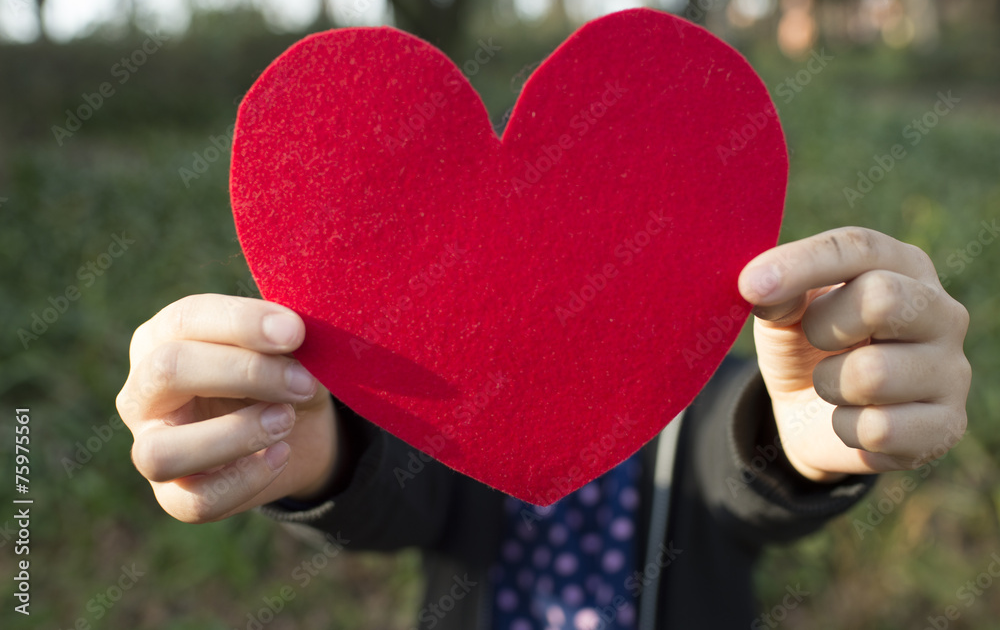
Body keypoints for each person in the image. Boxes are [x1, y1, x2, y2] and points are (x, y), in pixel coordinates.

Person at [116, 226, 971, 628]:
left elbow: (737, 473)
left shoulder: (710, 393)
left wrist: (801, 441)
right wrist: (318, 453)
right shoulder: (464, 395)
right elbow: (409, 498)